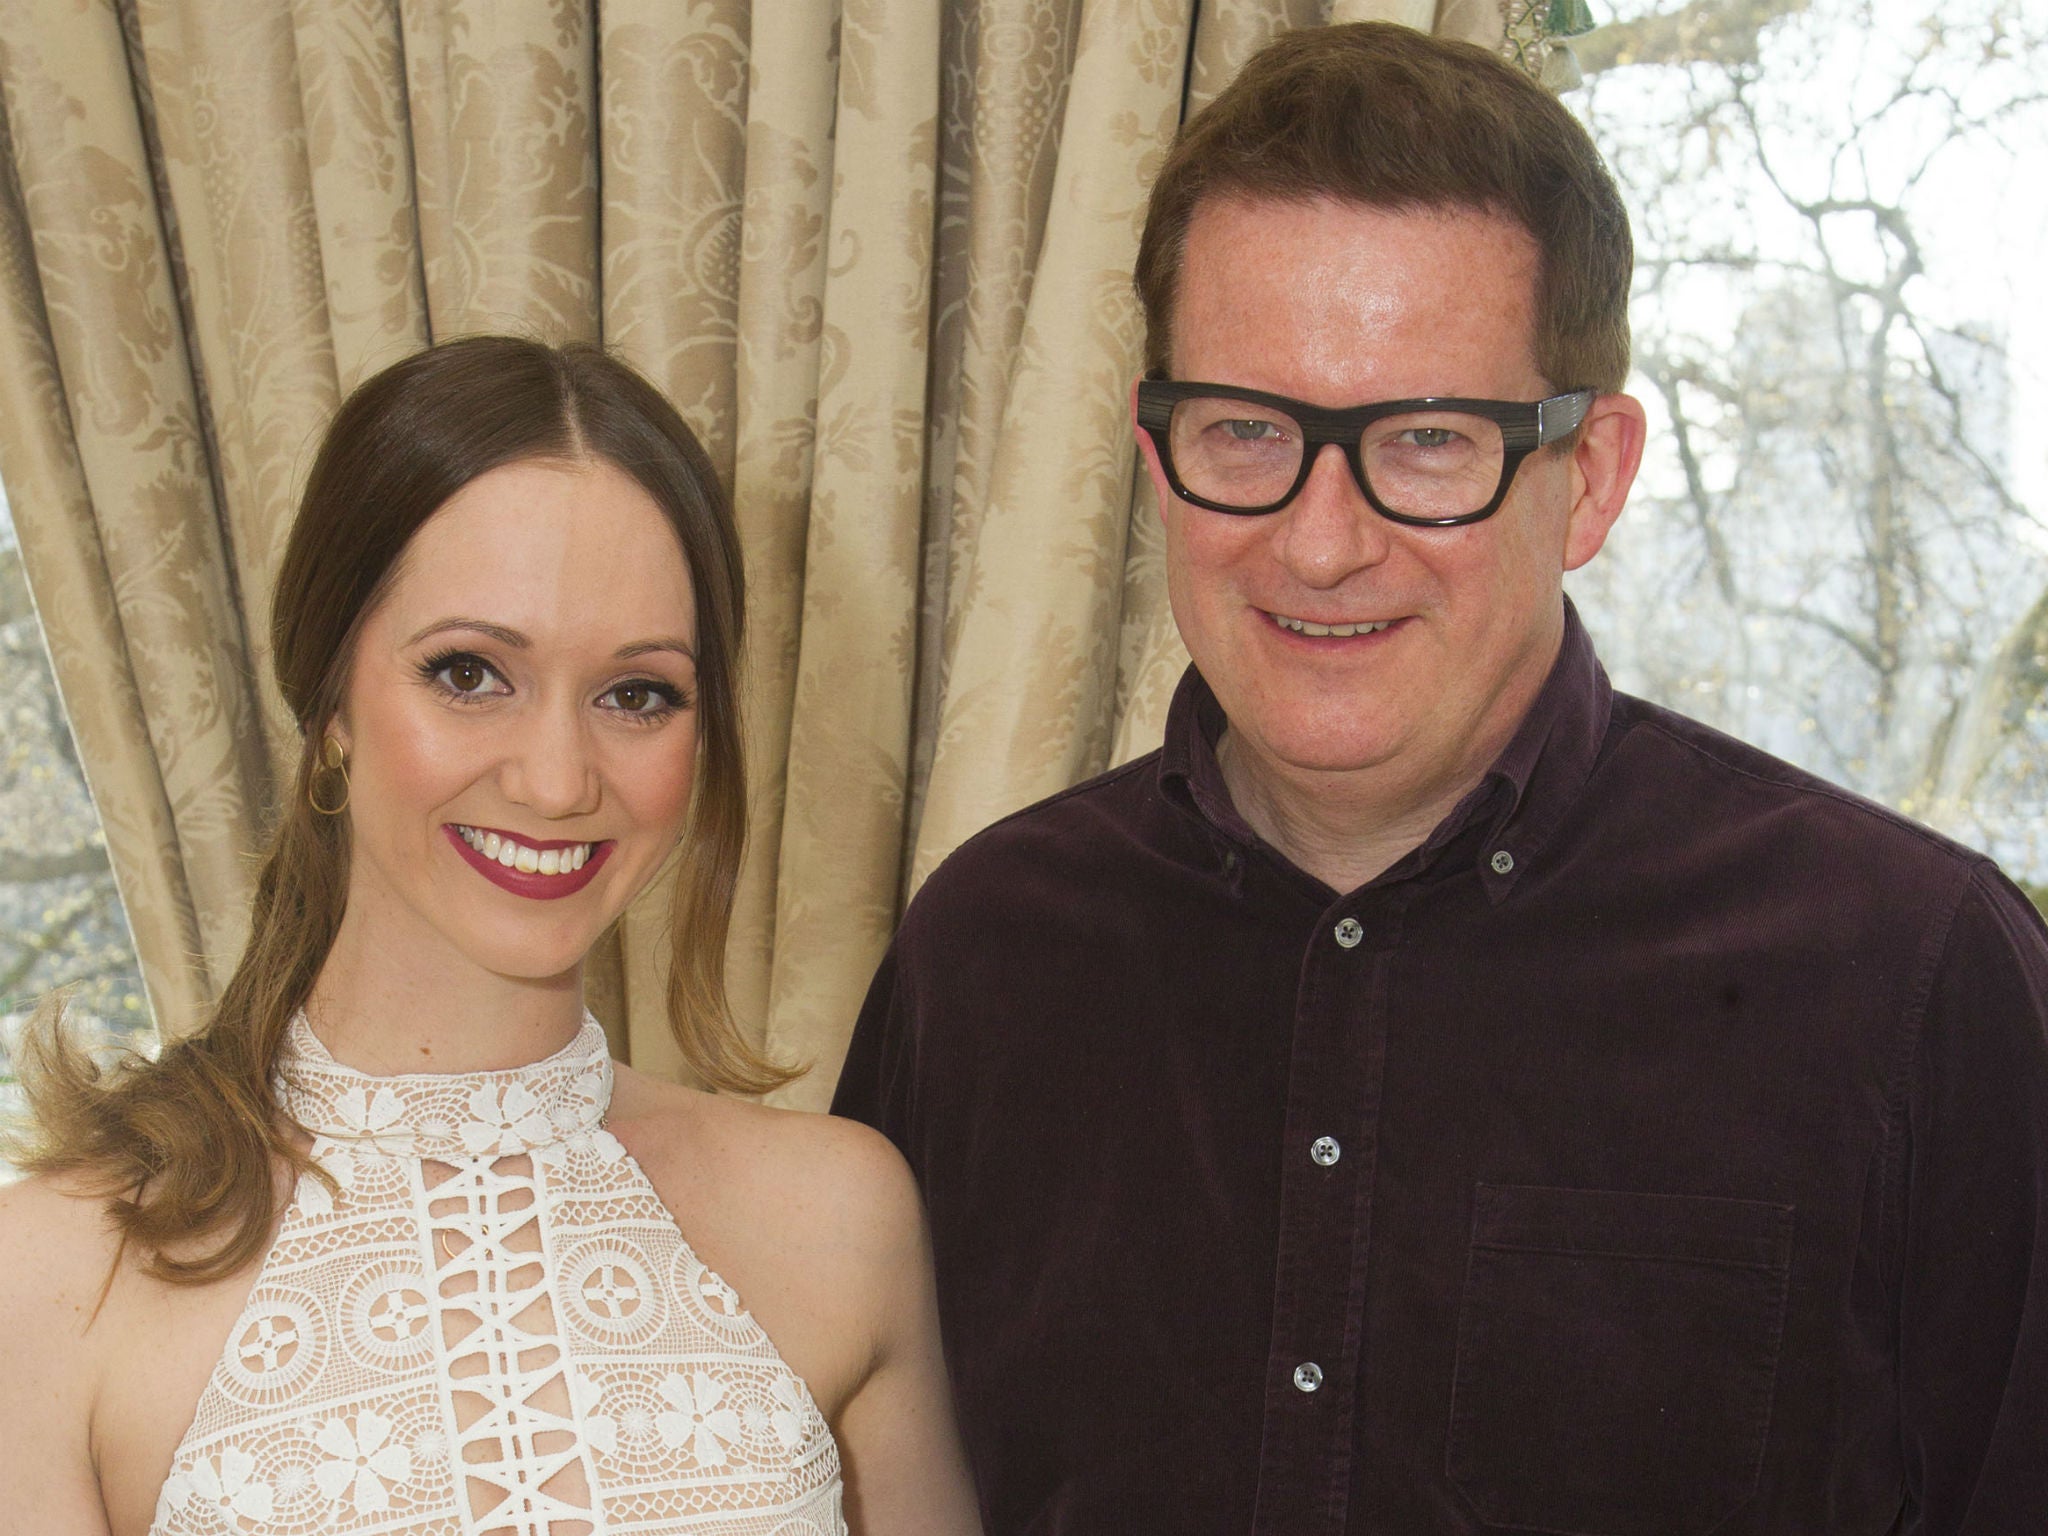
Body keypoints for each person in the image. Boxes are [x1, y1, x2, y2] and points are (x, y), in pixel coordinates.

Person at [831, 21, 2048, 1536]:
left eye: (1424, 442)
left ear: (1589, 477)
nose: (1322, 541)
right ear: (1158, 459)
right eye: (1248, 429)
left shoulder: (1916, 984)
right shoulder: (984, 957)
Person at [0, 336, 980, 1536]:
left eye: (638, 694)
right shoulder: (51, 1281)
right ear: (330, 707)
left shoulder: (842, 1218)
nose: (560, 780)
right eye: (469, 673)